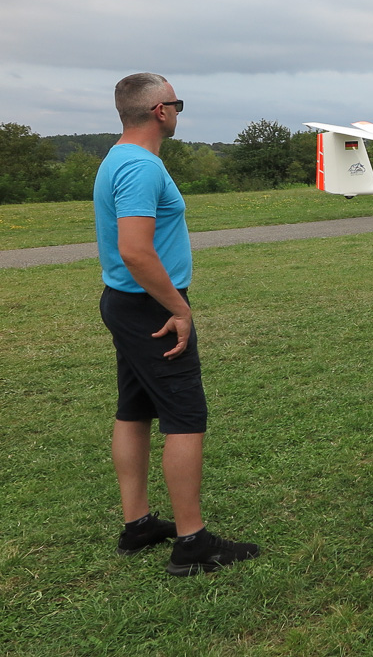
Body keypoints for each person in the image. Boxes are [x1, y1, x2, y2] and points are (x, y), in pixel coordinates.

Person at [94, 73, 260, 575]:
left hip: (128, 303)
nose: (178, 112)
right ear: (160, 111)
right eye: (177, 103)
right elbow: (135, 251)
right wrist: (179, 310)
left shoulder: (117, 158)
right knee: (185, 416)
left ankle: (138, 524)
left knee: (134, 410)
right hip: (152, 308)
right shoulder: (140, 167)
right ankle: (192, 544)